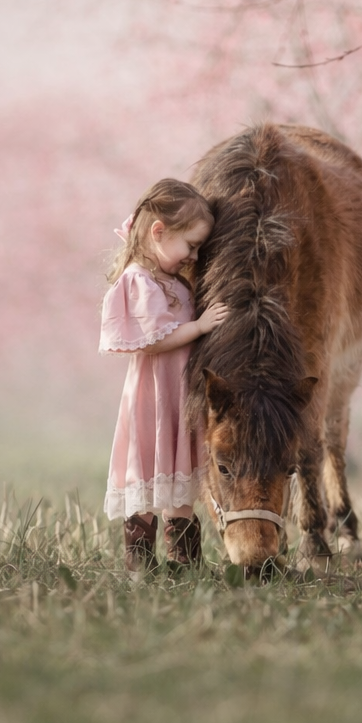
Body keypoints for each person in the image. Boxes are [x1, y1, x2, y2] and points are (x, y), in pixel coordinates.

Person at [100, 178, 229, 571]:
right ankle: (139, 563)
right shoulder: (140, 280)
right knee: (150, 468)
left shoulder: (170, 280)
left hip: (178, 393)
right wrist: (201, 326)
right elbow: (152, 340)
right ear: (159, 232)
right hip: (154, 395)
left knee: (178, 473)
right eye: (190, 245)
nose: (193, 256)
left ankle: (183, 562)